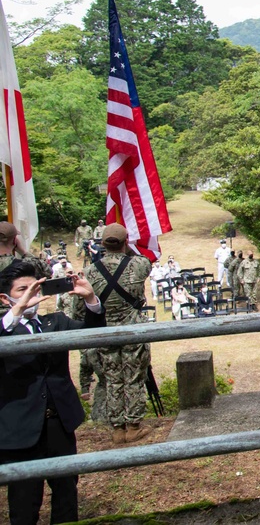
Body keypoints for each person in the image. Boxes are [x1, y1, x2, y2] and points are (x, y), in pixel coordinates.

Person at [0, 259, 106, 525]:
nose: (30, 295)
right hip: (20, 429)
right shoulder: (4, 328)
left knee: (66, 495)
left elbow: (94, 334)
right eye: (21, 290)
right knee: (24, 502)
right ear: (4, 298)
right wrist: (18, 310)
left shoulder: (55, 322)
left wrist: (91, 298)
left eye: (33, 289)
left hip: (60, 422)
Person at [84, 224, 154, 445]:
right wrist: (128, 247)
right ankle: (133, 426)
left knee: (113, 379)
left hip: (106, 328)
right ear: (126, 242)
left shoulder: (91, 271)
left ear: (102, 244)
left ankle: (117, 428)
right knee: (133, 378)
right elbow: (145, 261)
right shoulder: (138, 264)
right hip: (133, 328)